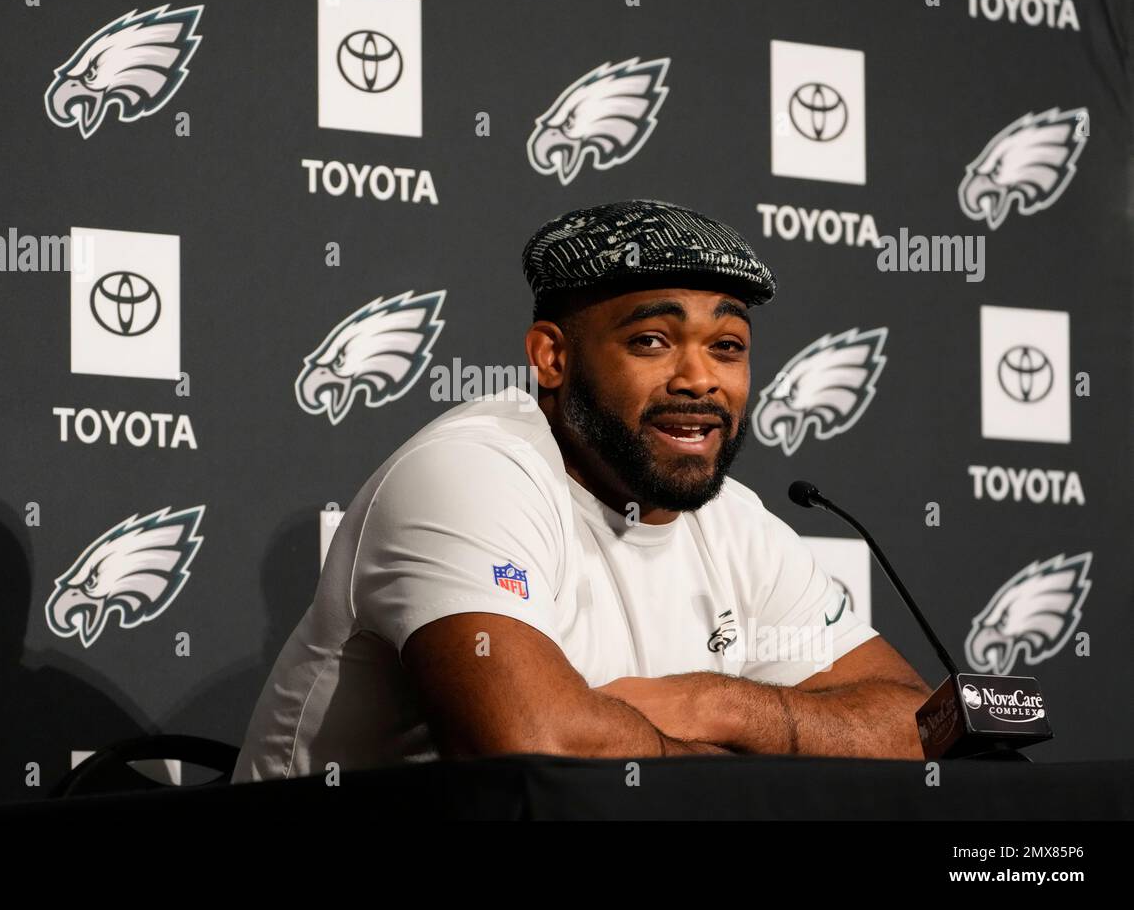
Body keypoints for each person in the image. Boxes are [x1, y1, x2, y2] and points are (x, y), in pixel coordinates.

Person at [234, 199, 929, 781]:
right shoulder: (472, 472)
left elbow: (922, 725)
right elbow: (534, 749)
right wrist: (755, 766)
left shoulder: (738, 525)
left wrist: (721, 706)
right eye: (653, 341)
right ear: (552, 356)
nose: (699, 379)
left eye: (727, 346)